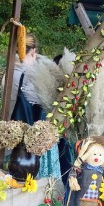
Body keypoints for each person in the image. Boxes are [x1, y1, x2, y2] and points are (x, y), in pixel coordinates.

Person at [5, 31, 61, 178]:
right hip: (32, 148)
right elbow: (47, 106)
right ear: (34, 51)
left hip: (10, 138)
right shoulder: (32, 77)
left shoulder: (8, 73)